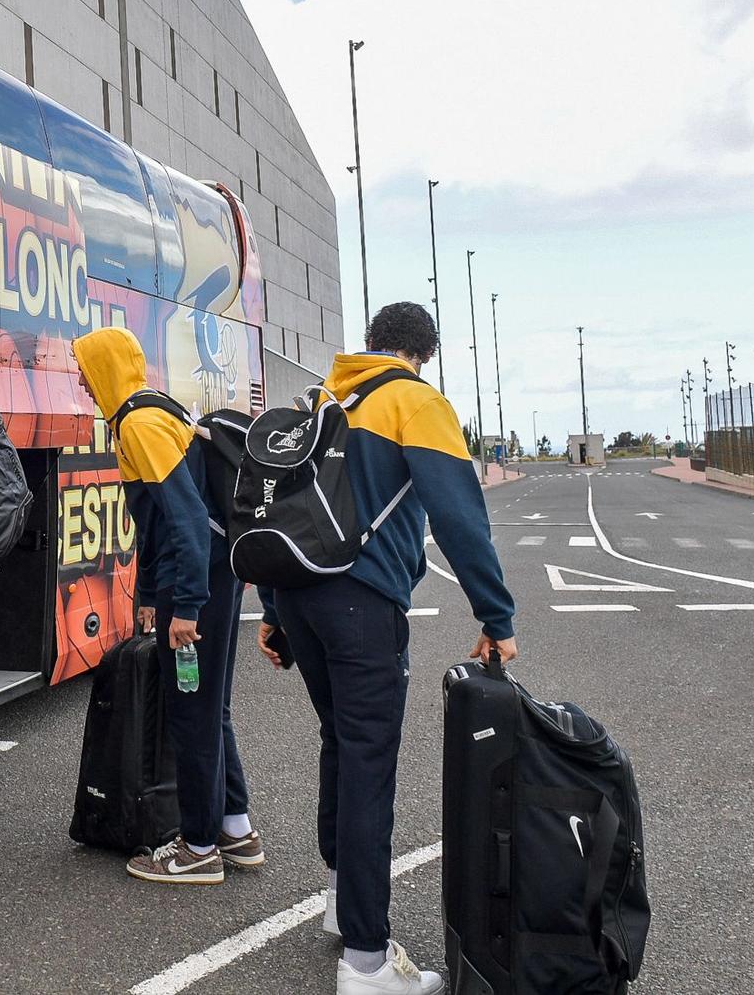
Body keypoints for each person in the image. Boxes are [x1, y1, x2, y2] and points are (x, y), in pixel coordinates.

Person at [260, 302, 517, 995]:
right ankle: (368, 963)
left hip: (299, 595)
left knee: (340, 743)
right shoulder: (414, 400)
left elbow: (275, 500)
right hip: (362, 605)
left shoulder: (324, 397)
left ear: (372, 343)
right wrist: (495, 614)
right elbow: (460, 516)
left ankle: (344, 904)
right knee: (368, 762)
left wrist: (271, 610)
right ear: (425, 354)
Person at [71, 326, 257, 886]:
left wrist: (185, 608)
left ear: (105, 368)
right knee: (210, 709)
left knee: (193, 714)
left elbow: (186, 525)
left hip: (197, 582)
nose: (81, 378)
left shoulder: (139, 424)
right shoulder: (148, 413)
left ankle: (198, 848)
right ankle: (235, 827)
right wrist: (150, 593)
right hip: (204, 578)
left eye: (85, 367)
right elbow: (153, 524)